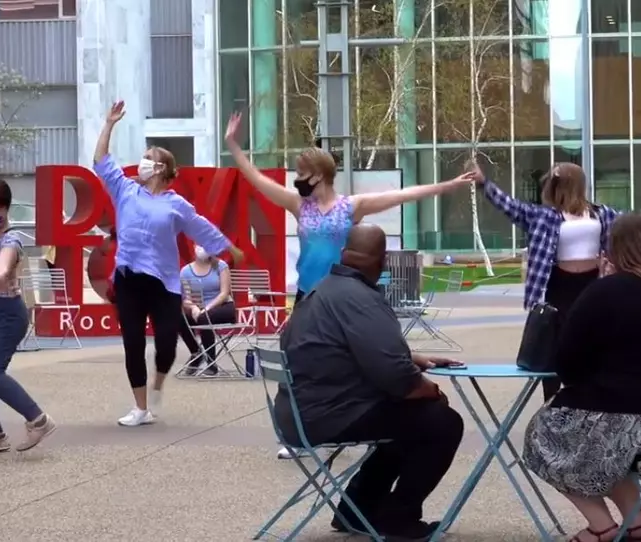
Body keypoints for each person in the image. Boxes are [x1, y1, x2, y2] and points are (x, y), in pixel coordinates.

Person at [521, 214, 641, 542]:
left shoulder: (606, 291)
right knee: (609, 444)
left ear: (612, 250)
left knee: (542, 436)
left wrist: (602, 285)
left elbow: (567, 365)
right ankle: (635, 521)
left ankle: (601, 526)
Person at [275, 224, 464, 541]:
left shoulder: (321, 291)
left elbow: (346, 346)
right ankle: (398, 518)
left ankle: (356, 509)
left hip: (296, 413)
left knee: (407, 421)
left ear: (343, 254)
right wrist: (428, 389)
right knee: (441, 421)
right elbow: (396, 377)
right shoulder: (361, 298)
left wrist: (414, 358)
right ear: (383, 261)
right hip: (329, 416)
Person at [470, 162, 641, 401]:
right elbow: (508, 205)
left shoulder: (601, 213)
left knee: (593, 339)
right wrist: (484, 183)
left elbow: (638, 228)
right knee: (555, 344)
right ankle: (553, 400)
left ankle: (591, 393)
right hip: (557, 284)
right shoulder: (543, 215)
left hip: (593, 283)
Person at [94, 101, 244, 427]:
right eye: (144, 157)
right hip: (128, 280)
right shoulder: (125, 190)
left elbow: (201, 227)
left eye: (150, 159)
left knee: (166, 343)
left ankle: (159, 382)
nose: (144, 163)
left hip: (164, 284)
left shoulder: (177, 205)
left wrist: (227, 246)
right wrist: (109, 124)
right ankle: (140, 408)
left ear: (162, 169)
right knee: (132, 343)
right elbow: (101, 162)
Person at [223, 112, 473, 301]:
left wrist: (449, 184)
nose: (297, 179)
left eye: (301, 173)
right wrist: (232, 144)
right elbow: (256, 178)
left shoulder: (351, 207)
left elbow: (403, 195)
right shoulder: (299, 205)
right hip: (306, 293)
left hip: (340, 295)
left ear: (317, 176)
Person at [0, 178, 56, 452]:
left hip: (6, 314)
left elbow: (5, 265)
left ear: (6, 208)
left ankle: (39, 420)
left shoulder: (11, 239)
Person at [179, 246, 237, 376]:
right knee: (178, 317)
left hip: (223, 306)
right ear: (194, 246)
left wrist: (207, 308)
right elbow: (186, 298)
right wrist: (193, 307)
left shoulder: (221, 266)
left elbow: (224, 293)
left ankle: (212, 363)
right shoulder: (185, 271)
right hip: (198, 308)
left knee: (204, 317)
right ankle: (196, 352)